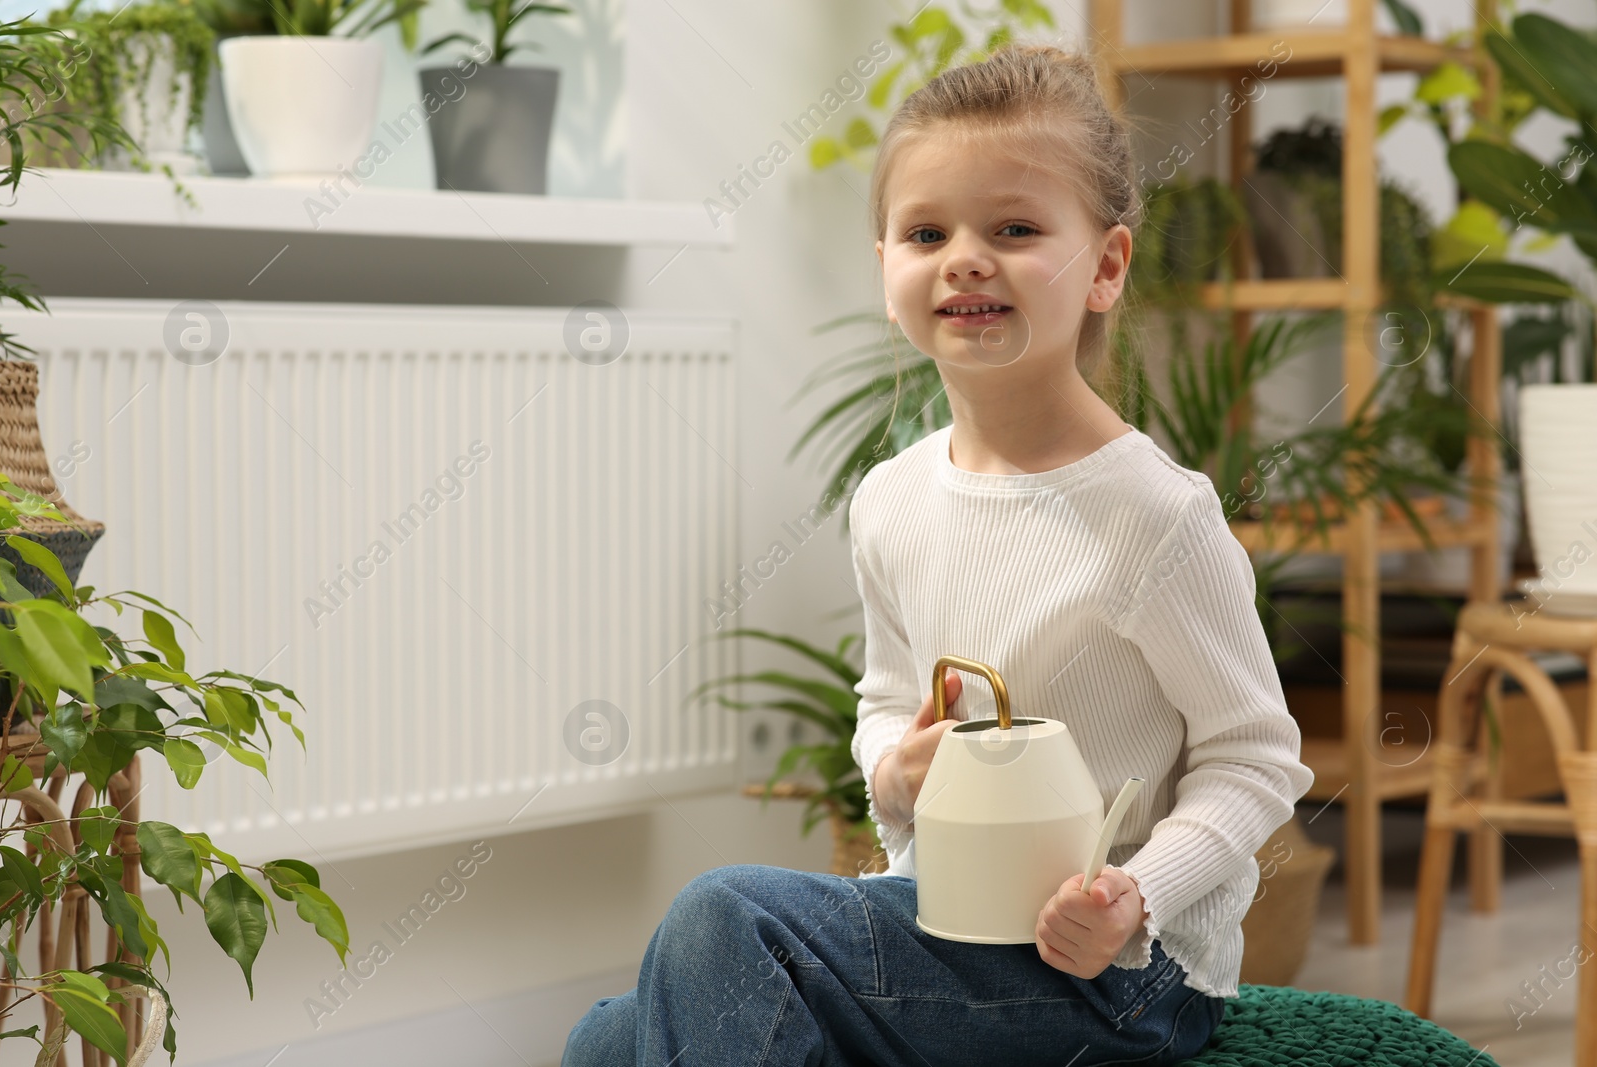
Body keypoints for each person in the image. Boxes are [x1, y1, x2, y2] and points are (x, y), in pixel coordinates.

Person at [563, 40, 1315, 1067]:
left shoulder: (1155, 514)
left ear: (1103, 266)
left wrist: (1136, 892)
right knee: (604, 1040)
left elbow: (1255, 756)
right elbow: (883, 702)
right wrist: (894, 766)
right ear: (888, 272)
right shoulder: (893, 498)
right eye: (927, 231)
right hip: (943, 921)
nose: (966, 255)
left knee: (721, 911)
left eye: (1013, 228)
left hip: (1117, 975)